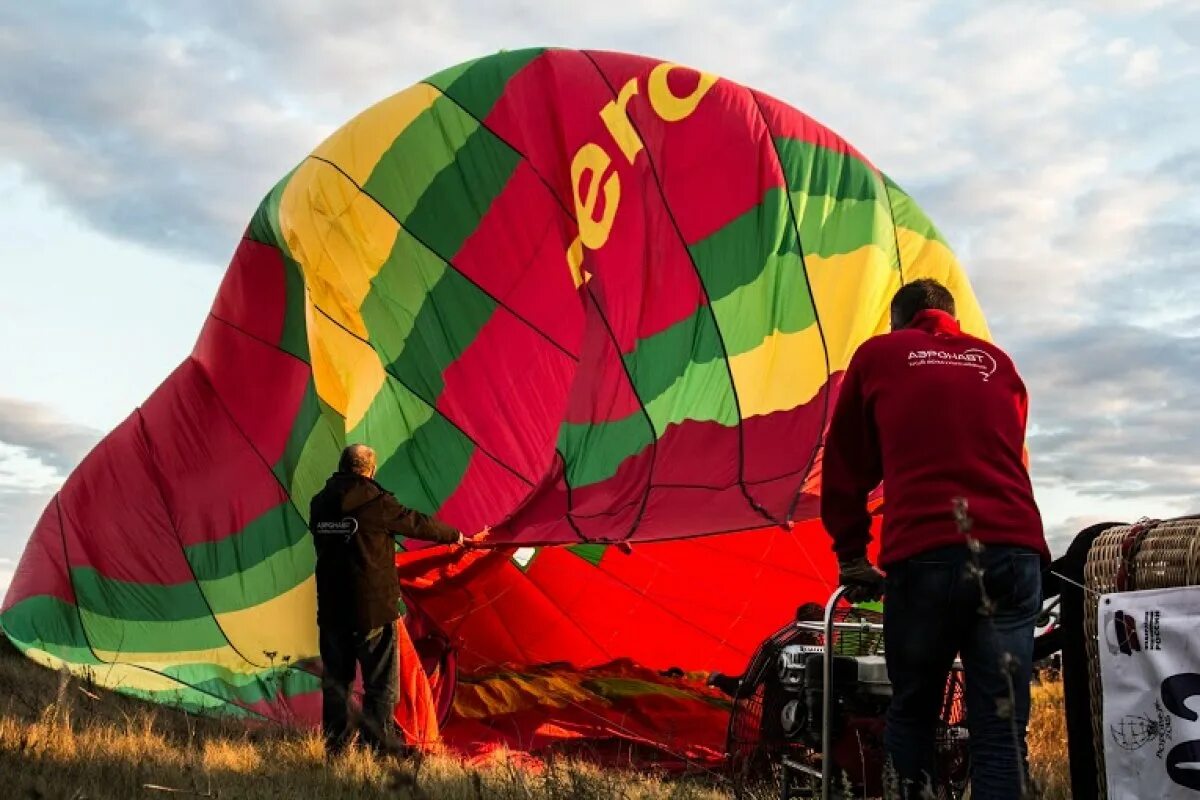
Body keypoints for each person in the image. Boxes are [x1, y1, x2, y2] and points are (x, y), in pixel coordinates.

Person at [819, 279, 1049, 800]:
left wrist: (852, 554)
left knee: (914, 714)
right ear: (953, 318)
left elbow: (845, 466)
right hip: (1013, 551)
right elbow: (1007, 451)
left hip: (927, 553)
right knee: (1000, 730)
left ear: (899, 322)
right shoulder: (998, 362)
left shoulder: (880, 354)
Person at [309, 443, 478, 759]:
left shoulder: (319, 505)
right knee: (381, 686)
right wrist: (456, 535)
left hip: (332, 610)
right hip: (374, 611)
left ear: (342, 467)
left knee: (337, 684)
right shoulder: (378, 503)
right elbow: (419, 524)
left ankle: (336, 749)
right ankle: (378, 748)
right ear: (370, 470)